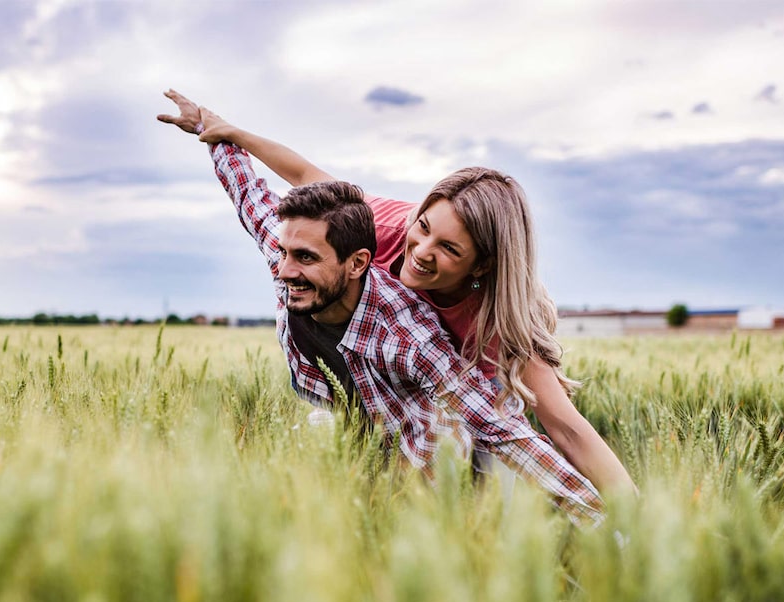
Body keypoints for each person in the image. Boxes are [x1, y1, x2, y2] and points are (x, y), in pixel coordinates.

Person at [157, 90, 606, 526]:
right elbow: (258, 187)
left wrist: (615, 522)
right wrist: (209, 127)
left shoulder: (419, 333)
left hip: (443, 411)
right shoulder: (326, 237)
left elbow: (525, 428)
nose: (284, 271)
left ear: (357, 263)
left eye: (448, 247)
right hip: (357, 403)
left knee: (457, 483)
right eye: (424, 228)